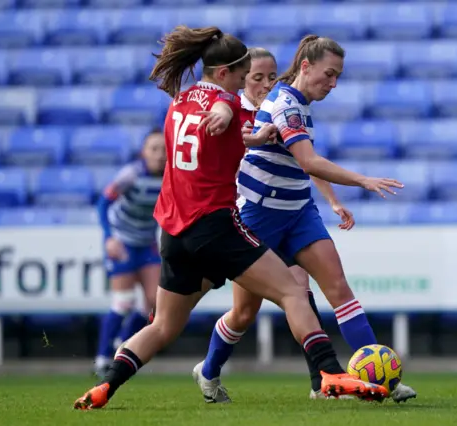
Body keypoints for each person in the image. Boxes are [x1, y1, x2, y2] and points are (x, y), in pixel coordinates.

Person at [73, 26, 392, 411]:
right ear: (224, 73)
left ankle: (105, 386)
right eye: (244, 76)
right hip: (216, 225)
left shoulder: (178, 101)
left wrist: (255, 138)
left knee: (163, 326)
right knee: (293, 291)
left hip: (174, 232)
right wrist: (226, 110)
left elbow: (228, 129)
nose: (248, 84)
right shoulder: (229, 105)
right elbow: (224, 110)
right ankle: (327, 373)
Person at [194, 35, 417, 403]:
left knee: (339, 289)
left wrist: (330, 200)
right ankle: (209, 371)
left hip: (298, 212)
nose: (333, 83)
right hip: (258, 216)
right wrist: (363, 180)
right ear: (306, 67)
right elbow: (310, 161)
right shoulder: (285, 105)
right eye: (329, 74)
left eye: (338, 76)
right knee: (244, 313)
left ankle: (381, 382)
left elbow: (302, 163)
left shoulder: (298, 103)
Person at [94, 129, 164, 379]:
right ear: (144, 152)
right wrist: (108, 237)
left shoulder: (170, 176)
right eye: (153, 149)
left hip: (146, 243)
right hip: (123, 241)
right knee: (123, 302)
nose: (159, 155)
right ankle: (102, 358)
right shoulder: (131, 175)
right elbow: (103, 202)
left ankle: (122, 347)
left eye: (163, 149)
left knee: (154, 304)